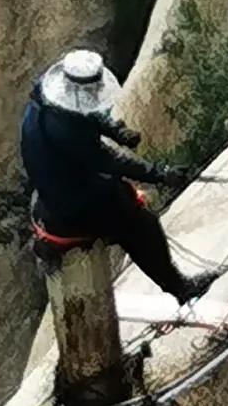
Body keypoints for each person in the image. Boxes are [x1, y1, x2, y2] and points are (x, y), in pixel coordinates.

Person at [20, 48, 214, 307]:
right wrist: (160, 174)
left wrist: (117, 131)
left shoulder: (46, 100)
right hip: (72, 207)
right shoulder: (64, 130)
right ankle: (180, 288)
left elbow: (88, 114)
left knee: (121, 197)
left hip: (52, 194)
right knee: (141, 225)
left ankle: (176, 284)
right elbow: (109, 160)